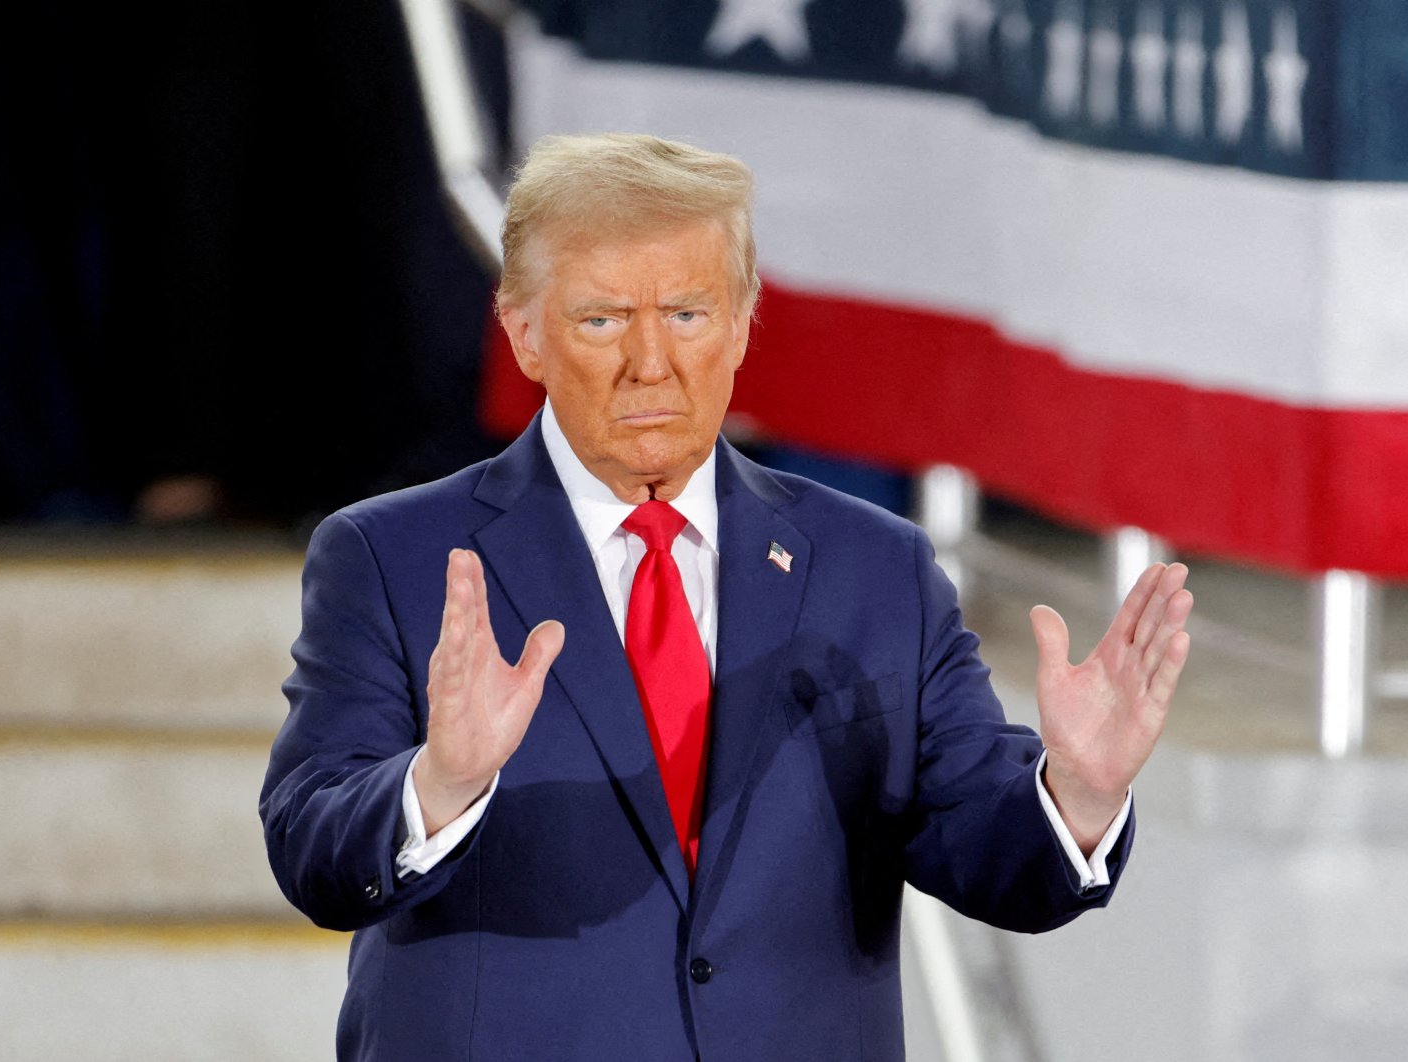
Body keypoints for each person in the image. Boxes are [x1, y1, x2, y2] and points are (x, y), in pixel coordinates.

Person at [260, 133, 1193, 1061]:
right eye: (602, 319)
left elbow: (983, 846)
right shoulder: (393, 555)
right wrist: (441, 784)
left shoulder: (874, 569)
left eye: (689, 314)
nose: (651, 362)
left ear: (744, 323)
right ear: (523, 332)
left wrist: (1077, 791)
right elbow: (313, 847)